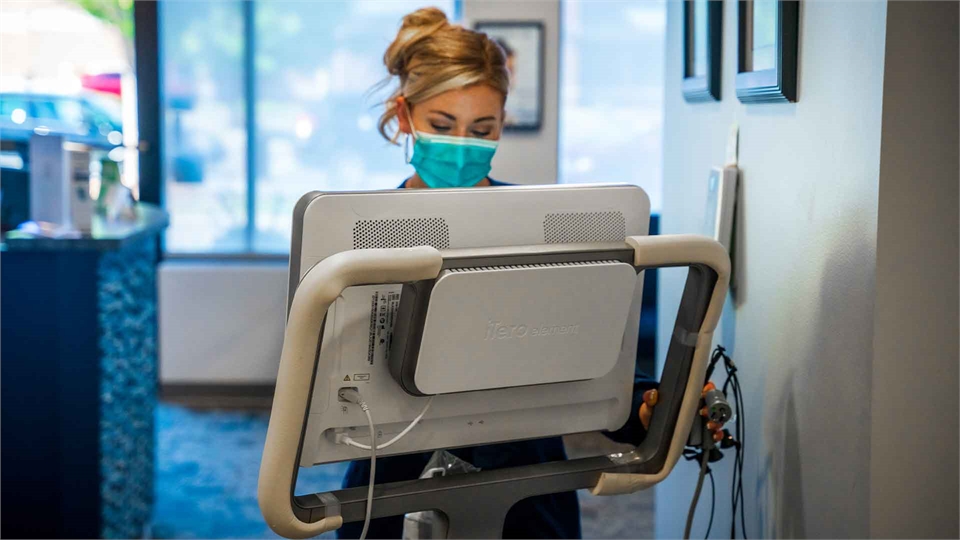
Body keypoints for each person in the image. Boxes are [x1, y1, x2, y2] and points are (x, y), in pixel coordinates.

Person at [340, 8, 722, 538]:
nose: (461, 145)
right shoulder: (362, 233)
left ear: (502, 125)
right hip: (393, 480)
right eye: (442, 126)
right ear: (404, 117)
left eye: (482, 129)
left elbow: (586, 355)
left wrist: (645, 404)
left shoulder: (540, 226)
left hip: (524, 485)